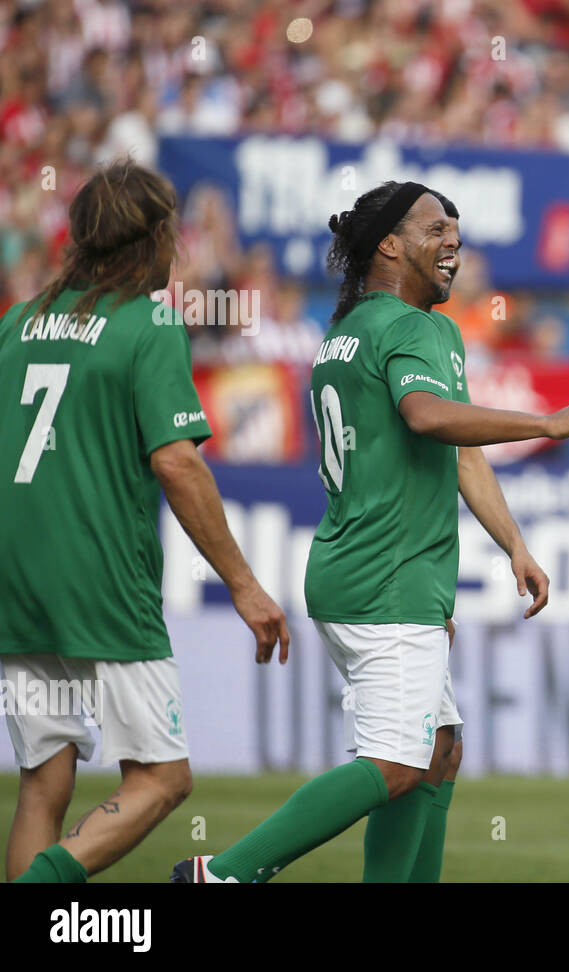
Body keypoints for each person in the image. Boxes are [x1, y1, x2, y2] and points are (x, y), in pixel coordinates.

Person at [172, 181, 569, 882]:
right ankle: (226, 872)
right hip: (391, 579)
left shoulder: (346, 331)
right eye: (436, 228)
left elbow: (458, 447)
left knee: (438, 749)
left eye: (457, 231)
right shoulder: (420, 327)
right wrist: (545, 421)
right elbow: (429, 418)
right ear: (388, 243)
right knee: (395, 762)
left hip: (355, 570)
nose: (454, 242)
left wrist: (514, 544)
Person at [0, 160, 289, 884]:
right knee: (163, 778)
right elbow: (178, 464)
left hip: (17, 580)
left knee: (43, 781)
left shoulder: (18, 322)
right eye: (173, 231)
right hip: (100, 581)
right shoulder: (150, 322)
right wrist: (246, 586)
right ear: (155, 236)